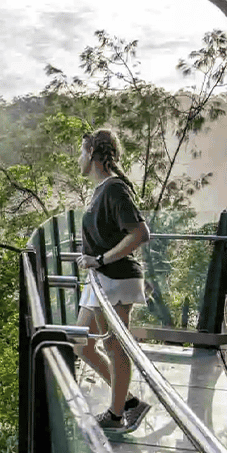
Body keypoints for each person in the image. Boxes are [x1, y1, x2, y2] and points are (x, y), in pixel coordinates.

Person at [75, 129, 151, 433]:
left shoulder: (114, 189)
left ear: (93, 154)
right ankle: (128, 400)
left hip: (116, 280)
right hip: (100, 281)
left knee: (114, 348)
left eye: (81, 152)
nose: (78, 159)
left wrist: (101, 259)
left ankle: (117, 415)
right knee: (80, 343)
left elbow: (140, 234)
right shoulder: (101, 190)